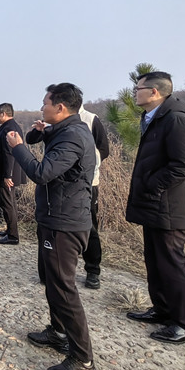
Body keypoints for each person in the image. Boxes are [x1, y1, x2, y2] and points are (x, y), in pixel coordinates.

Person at [8, 83, 98, 370]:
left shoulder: (73, 136)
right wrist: (39, 132)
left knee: (63, 288)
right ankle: (58, 332)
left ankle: (83, 360)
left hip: (65, 223)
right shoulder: (64, 131)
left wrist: (18, 148)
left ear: (60, 107)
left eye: (45, 103)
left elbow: (42, 172)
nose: (41, 107)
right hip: (54, 218)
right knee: (52, 281)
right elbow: (43, 143)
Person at [125, 71, 185, 344]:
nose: (135, 93)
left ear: (155, 92)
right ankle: (163, 310)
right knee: (155, 260)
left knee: (171, 264)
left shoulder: (175, 119)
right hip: (155, 205)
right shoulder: (153, 117)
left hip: (170, 206)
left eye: (138, 88)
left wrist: (153, 184)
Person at [77, 106, 109, 289]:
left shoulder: (90, 119)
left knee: (90, 227)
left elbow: (104, 149)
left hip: (88, 183)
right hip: (62, 184)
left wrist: (89, 167)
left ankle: (93, 270)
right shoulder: (55, 120)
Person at [0, 103, 26, 245]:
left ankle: (12, 235)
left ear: (3, 114)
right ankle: (10, 230)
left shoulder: (9, 128)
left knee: (7, 203)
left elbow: (9, 154)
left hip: (6, 174)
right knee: (9, 202)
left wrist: (8, 175)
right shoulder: (10, 126)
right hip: (7, 173)